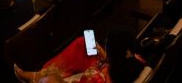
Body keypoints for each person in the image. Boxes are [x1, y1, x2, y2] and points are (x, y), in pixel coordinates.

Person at [14, 26, 146, 83]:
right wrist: (105, 57)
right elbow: (117, 63)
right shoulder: (137, 60)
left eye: (107, 45)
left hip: (97, 75)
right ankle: (41, 74)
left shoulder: (93, 76)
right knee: (83, 43)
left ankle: (37, 76)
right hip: (105, 69)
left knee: (48, 80)